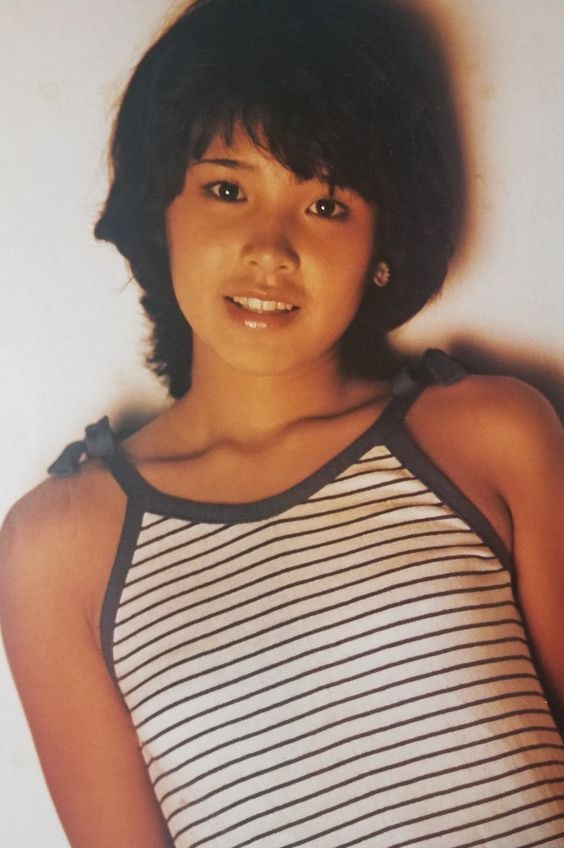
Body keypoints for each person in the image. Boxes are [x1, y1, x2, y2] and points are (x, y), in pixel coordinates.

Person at [1, 0, 564, 846]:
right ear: (162, 213)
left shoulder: (489, 436)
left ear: (383, 245)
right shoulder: (59, 548)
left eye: (326, 204)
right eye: (227, 189)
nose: (270, 249)